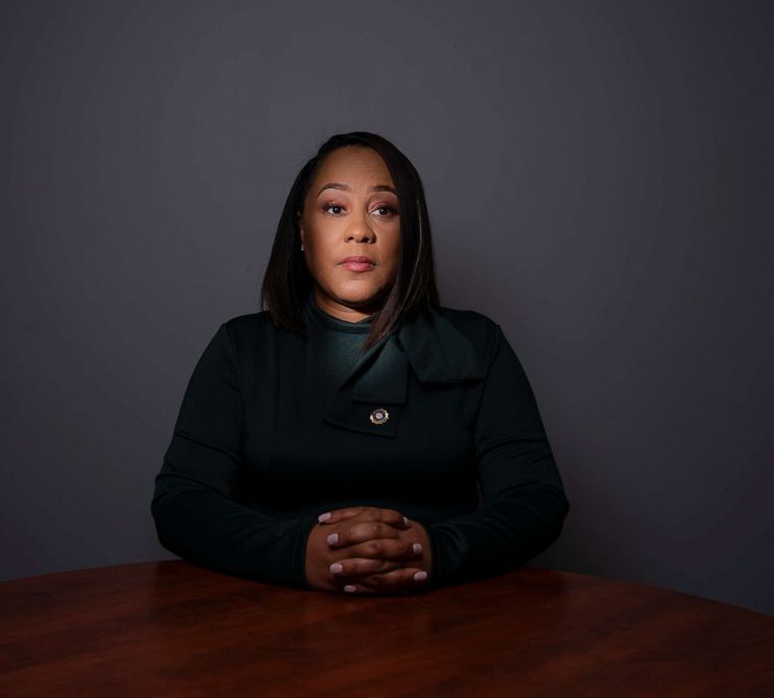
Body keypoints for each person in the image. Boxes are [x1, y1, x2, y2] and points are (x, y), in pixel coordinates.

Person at [151, 131, 569, 596]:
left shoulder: (477, 343)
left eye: (383, 210)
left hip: (445, 618)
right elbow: (179, 503)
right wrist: (296, 553)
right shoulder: (241, 347)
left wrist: (434, 550)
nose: (359, 231)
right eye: (334, 208)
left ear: (409, 231)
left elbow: (537, 500)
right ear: (301, 230)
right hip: (271, 613)